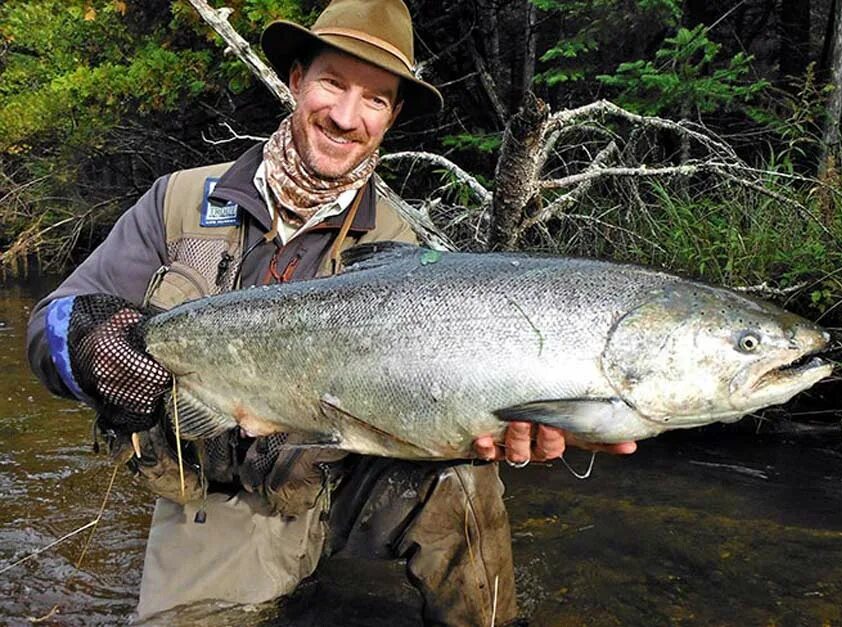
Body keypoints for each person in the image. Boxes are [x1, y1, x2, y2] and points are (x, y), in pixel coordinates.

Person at [26, 0, 635, 624]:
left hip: (350, 476)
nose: (347, 117)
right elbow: (48, 325)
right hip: (223, 498)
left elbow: (460, 388)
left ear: (392, 116)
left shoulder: (405, 250)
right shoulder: (179, 200)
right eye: (332, 83)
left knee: (465, 486)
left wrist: (512, 423)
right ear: (296, 82)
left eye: (374, 99)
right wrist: (92, 343)